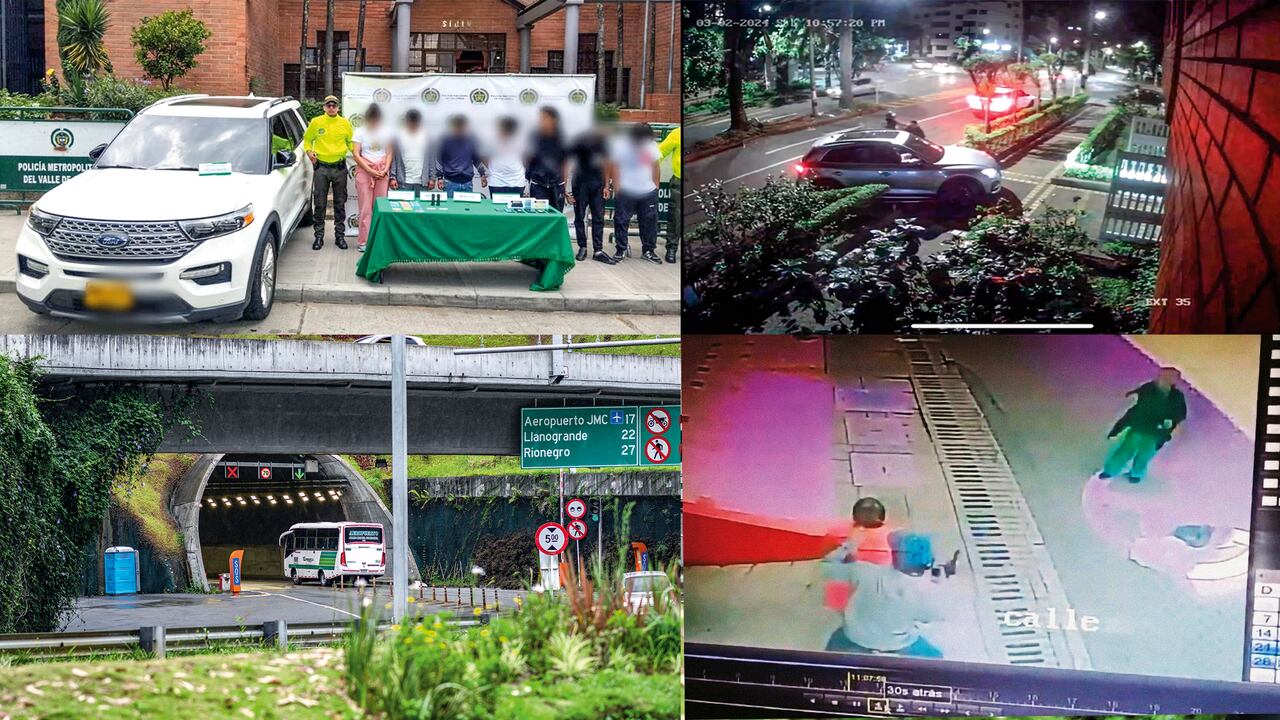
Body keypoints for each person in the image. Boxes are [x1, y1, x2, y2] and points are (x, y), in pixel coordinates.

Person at [821, 534, 945, 658]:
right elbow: (932, 616)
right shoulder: (926, 589)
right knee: (937, 658)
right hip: (899, 645)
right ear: (928, 560)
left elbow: (827, 567)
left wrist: (847, 547)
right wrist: (939, 581)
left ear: (894, 555)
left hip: (854, 639)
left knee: (831, 652)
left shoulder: (864, 570)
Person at [1100, 367, 1188, 483]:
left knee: (1143, 456)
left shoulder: (1176, 397)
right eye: (1164, 377)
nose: (1165, 380)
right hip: (1139, 427)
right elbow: (1136, 410)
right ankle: (1111, 470)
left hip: (1154, 433)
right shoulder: (1149, 389)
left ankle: (1135, 474)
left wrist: (1167, 430)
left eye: (1170, 378)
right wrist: (1120, 426)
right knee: (1125, 451)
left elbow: (1179, 415)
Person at [606, 123, 663, 264]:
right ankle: (621, 249)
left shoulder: (650, 145)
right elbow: (613, 165)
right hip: (626, 190)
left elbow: (655, 165)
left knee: (649, 221)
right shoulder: (621, 145)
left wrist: (656, 185)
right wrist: (617, 186)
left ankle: (648, 250)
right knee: (621, 221)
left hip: (647, 191)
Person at [302, 94, 353, 250]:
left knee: (339, 203)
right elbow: (307, 140)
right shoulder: (317, 122)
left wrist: (362, 156)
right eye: (328, 105)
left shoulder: (345, 123)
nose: (331, 108)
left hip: (339, 168)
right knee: (320, 203)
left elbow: (350, 143)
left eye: (334, 105)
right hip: (321, 168)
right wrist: (309, 152)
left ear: (338, 107)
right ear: (324, 107)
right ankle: (319, 237)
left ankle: (340, 236)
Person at [350, 103, 395, 253]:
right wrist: (369, 170)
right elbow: (356, 154)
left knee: (380, 207)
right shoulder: (359, 131)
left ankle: (379, 239)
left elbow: (389, 152)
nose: (374, 121)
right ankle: (364, 241)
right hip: (365, 171)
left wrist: (385, 169)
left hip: (382, 171)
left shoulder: (387, 131)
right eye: (372, 118)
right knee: (365, 208)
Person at [565, 126, 613, 264]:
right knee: (579, 216)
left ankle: (598, 250)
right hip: (580, 184)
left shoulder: (602, 143)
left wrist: (607, 186)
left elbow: (606, 163)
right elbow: (567, 164)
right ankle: (582, 247)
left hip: (597, 184)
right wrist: (565, 188)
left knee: (598, 217)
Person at [526, 107, 569, 211]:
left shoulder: (562, 138)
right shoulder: (534, 136)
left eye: (545, 118)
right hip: (538, 185)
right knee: (539, 217)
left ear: (554, 120)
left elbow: (565, 163)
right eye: (541, 118)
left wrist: (564, 186)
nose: (542, 121)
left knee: (556, 216)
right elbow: (528, 159)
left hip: (557, 185)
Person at [437, 114, 487, 197]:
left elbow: (476, 159)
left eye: (461, 125)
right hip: (450, 183)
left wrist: (482, 174)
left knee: (466, 209)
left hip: (467, 183)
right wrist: (439, 177)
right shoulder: (446, 142)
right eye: (457, 125)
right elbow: (440, 160)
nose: (459, 128)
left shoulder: (471, 141)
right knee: (450, 209)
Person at [389, 109, 437, 194]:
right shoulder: (399, 136)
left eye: (415, 122)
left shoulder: (427, 136)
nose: (413, 125)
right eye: (411, 122)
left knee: (421, 207)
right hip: (403, 182)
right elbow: (394, 159)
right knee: (403, 207)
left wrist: (432, 178)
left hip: (422, 182)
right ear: (406, 121)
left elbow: (432, 159)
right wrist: (392, 177)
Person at [657, 126, 681, 264]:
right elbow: (660, 152)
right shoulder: (677, 133)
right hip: (679, 180)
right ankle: (671, 248)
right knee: (675, 217)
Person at [486, 116, 527, 198]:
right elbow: (483, 156)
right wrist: (494, 169)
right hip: (497, 182)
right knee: (496, 210)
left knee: (515, 210)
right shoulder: (491, 140)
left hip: (517, 182)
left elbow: (527, 157)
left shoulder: (522, 140)